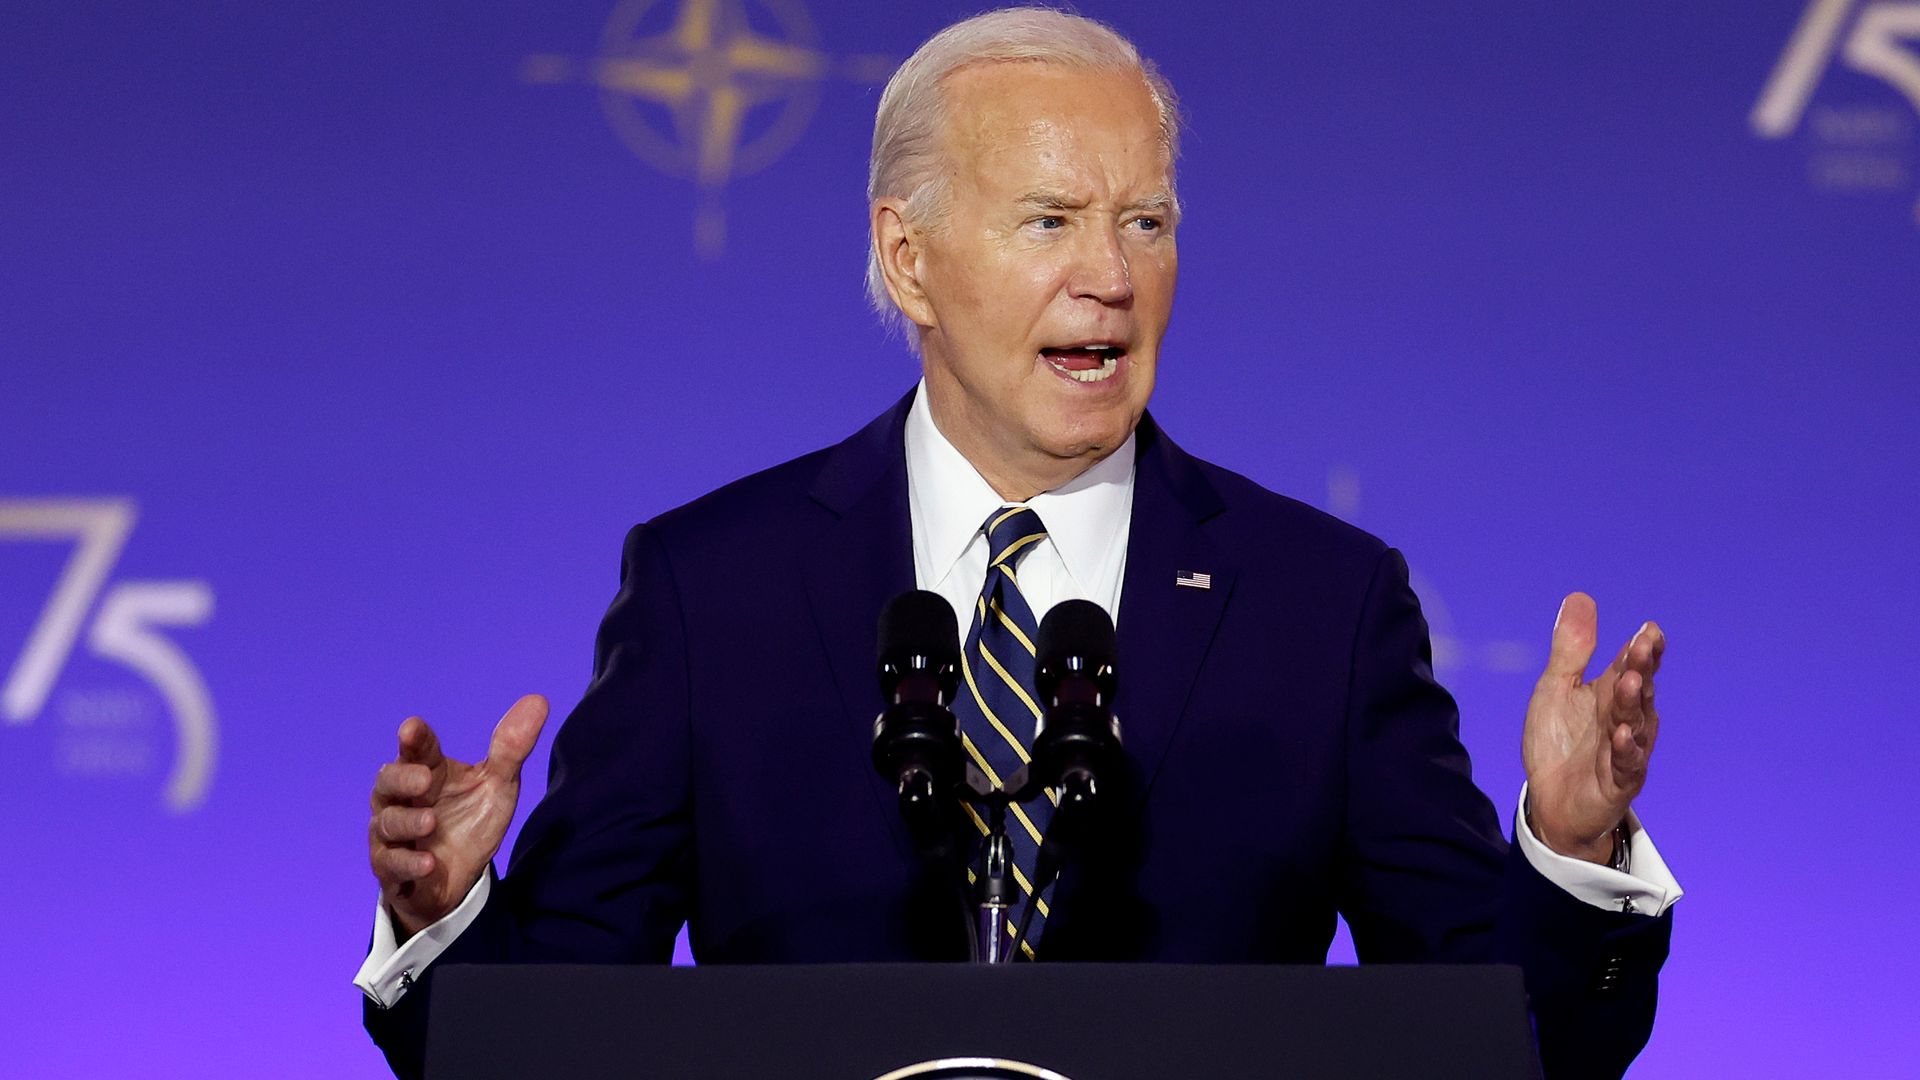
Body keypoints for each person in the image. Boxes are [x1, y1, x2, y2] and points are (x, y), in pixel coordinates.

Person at [357, 9, 1681, 1078]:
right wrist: (451, 919)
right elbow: (551, 1053)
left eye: (1145, 222)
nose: (1108, 274)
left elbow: (1512, 1054)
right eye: (1050, 220)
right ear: (910, 257)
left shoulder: (1321, 606)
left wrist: (1566, 856)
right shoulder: (717, 588)